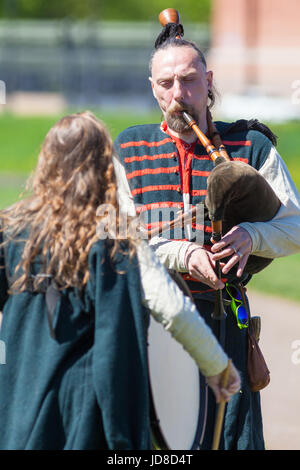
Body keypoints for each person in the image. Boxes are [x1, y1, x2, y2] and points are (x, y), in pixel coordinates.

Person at [0, 111, 240, 450]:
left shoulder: (12, 233)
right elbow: (170, 307)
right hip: (84, 410)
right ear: (105, 169)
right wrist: (217, 365)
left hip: (20, 397)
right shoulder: (114, 241)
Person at [113, 25, 300, 450]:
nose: (179, 93)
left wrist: (252, 236)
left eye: (189, 80)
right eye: (166, 83)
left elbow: (295, 226)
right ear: (153, 88)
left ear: (209, 81)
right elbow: (115, 239)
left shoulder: (250, 146)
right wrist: (180, 254)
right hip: (149, 329)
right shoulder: (129, 148)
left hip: (224, 322)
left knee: (232, 441)